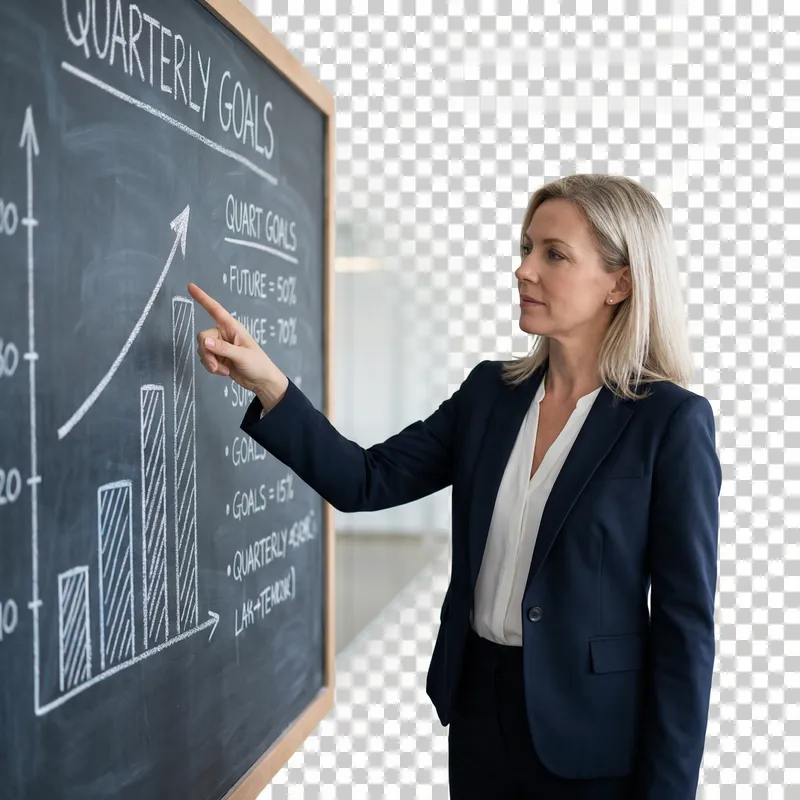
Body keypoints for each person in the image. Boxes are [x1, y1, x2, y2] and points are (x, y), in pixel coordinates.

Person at [189, 173, 722, 799]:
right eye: (526, 248)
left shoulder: (669, 423)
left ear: (621, 281)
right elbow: (367, 479)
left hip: (593, 737)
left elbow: (685, 632)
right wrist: (269, 385)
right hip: (478, 712)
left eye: (554, 254)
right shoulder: (490, 395)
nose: (524, 270)